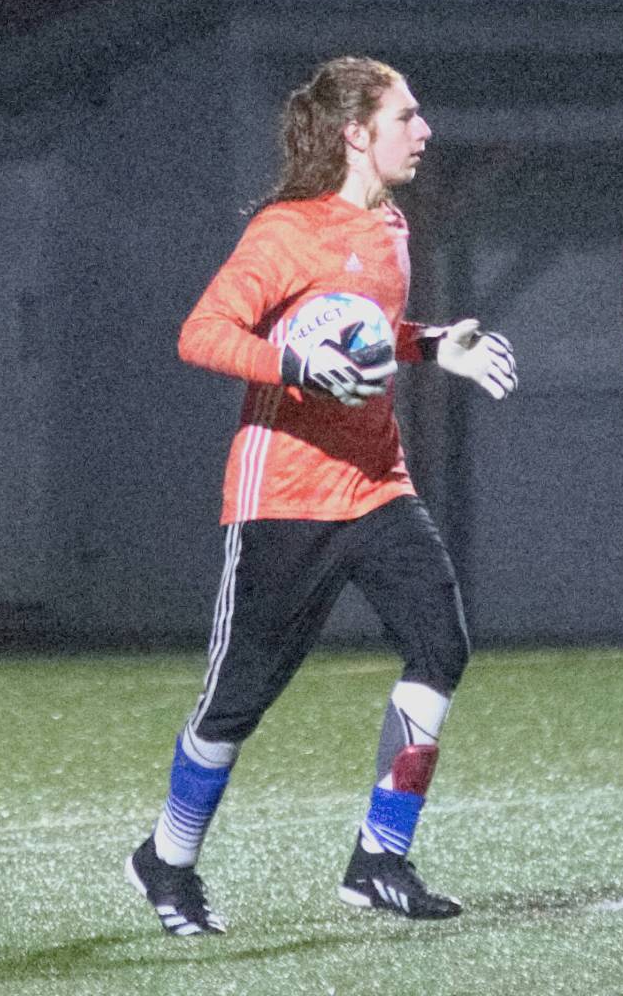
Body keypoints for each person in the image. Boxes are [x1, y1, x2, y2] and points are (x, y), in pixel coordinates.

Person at [125, 55, 517, 936]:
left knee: (441, 645)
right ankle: (167, 859)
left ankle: (380, 858)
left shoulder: (392, 227)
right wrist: (292, 363)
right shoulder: (286, 231)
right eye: (406, 116)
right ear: (355, 134)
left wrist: (430, 347)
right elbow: (202, 333)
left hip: (376, 483)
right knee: (236, 705)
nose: (425, 131)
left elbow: (367, 332)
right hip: (284, 498)